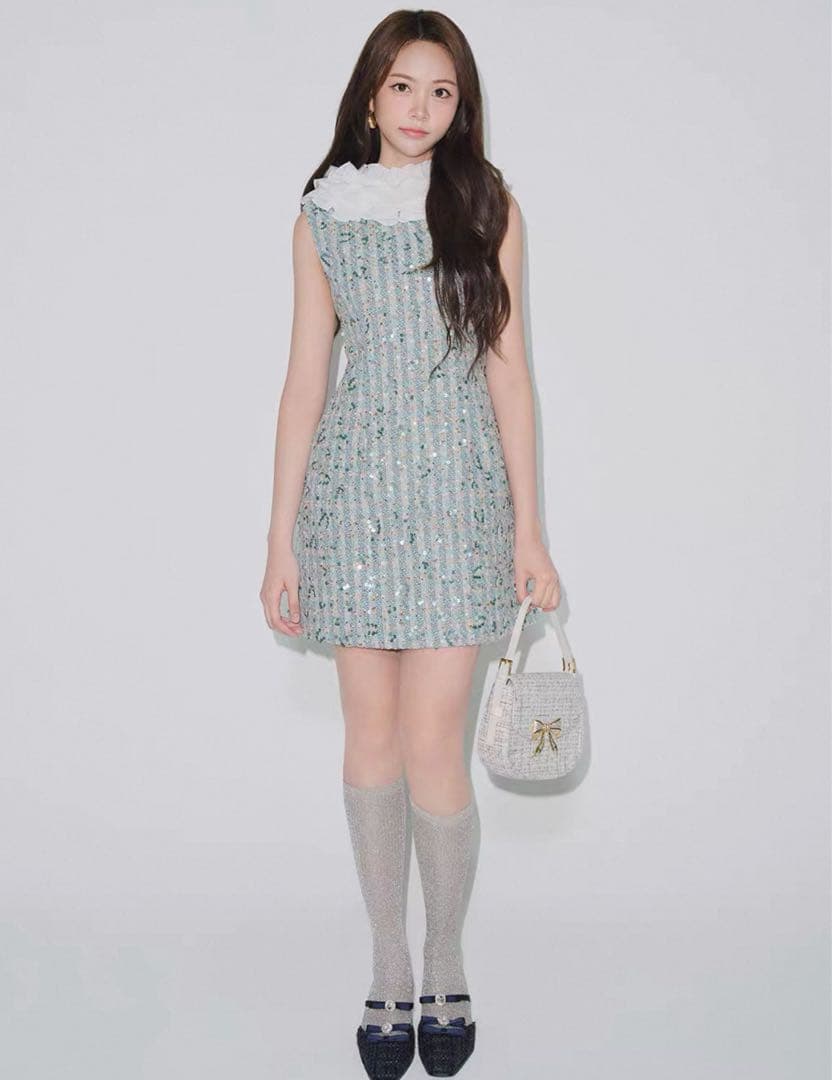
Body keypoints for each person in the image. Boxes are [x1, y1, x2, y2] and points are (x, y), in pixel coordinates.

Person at [260, 9, 560, 1077]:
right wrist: (281, 540)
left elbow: (510, 376)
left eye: (442, 91)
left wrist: (530, 529)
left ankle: (445, 958)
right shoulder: (322, 217)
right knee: (370, 742)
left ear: (460, 104)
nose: (421, 108)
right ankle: (388, 961)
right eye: (403, 87)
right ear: (370, 96)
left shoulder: (487, 207)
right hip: (352, 503)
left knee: (437, 747)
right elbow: (305, 382)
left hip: (459, 499)